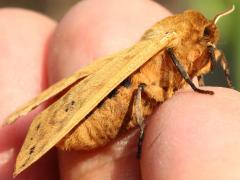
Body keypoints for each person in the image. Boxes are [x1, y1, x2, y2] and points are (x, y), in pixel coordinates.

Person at [1, 0, 240, 179]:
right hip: (109, 106)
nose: (209, 48)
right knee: (136, 87)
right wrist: (193, 87)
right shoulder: (171, 43)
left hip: (129, 95)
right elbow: (145, 83)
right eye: (206, 37)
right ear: (195, 35)